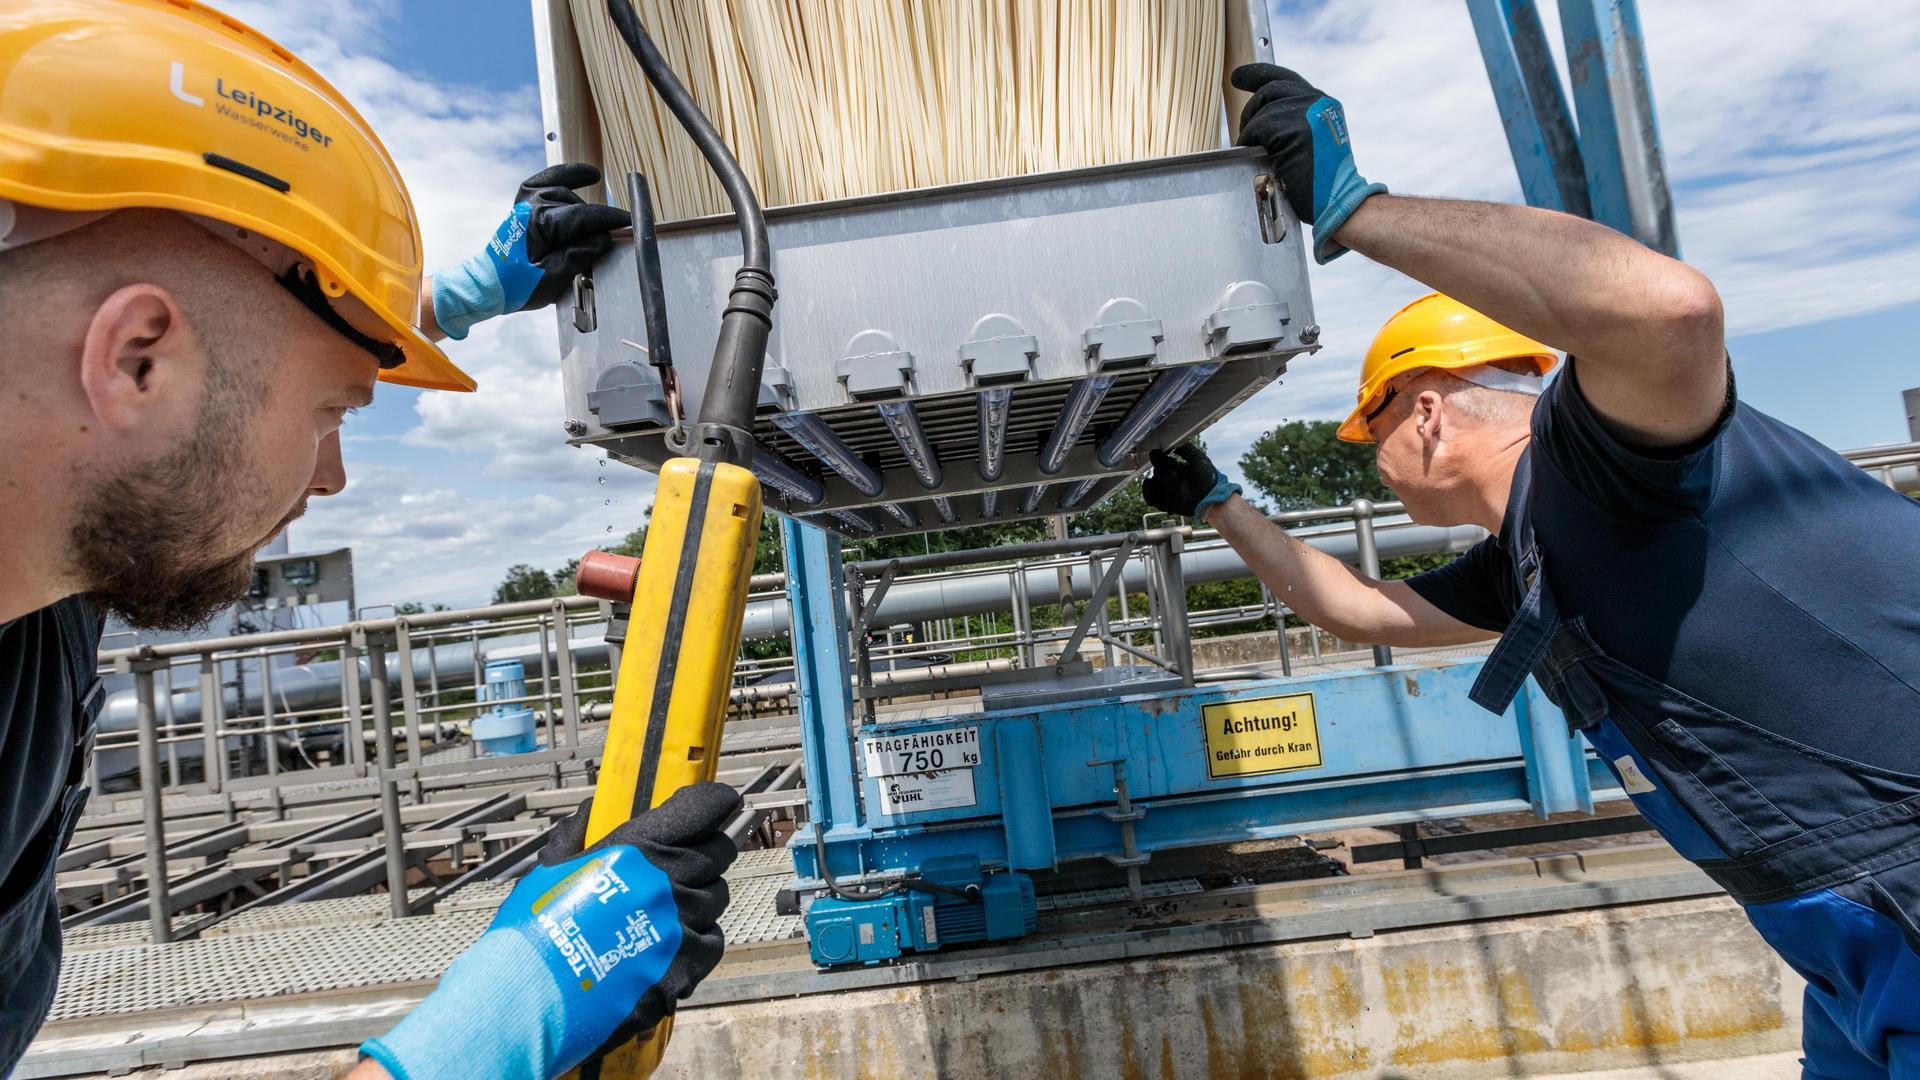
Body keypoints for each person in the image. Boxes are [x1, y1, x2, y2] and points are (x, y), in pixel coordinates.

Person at [0, 4, 735, 1078]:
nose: (334, 476)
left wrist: (453, 299)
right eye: (333, 414)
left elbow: (191, 356)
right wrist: (474, 1041)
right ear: (138, 362)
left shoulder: (51, 549)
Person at [1145, 64, 1920, 1078]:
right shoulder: (1529, 557)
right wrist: (1217, 501)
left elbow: (1672, 310)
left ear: (1423, 413)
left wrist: (1353, 210)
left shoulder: (1606, 459)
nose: (1367, 464)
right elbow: (1356, 606)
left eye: (1364, 433)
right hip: (1846, 937)